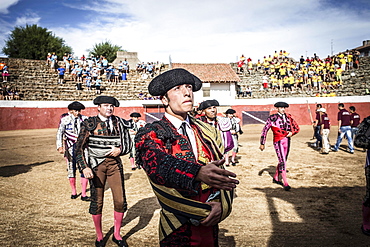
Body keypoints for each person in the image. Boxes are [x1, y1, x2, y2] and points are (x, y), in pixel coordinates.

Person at [135, 68, 239, 246]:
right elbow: (156, 165)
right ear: (164, 99)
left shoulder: (207, 131)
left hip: (210, 219)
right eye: (177, 88)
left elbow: (219, 173)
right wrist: (197, 172)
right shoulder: (151, 132)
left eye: (189, 87)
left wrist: (221, 205)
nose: (186, 92)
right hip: (177, 224)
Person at [75, 96, 132, 247]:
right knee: (97, 201)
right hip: (96, 166)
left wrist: (120, 150)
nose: (109, 108)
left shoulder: (119, 122)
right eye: (106, 105)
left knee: (120, 200)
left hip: (114, 165)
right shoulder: (89, 123)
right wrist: (84, 167)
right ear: (98, 107)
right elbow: (78, 148)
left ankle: (117, 234)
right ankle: (99, 236)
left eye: (111, 106)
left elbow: (128, 143)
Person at [259, 102, 300, 191]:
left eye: (284, 108)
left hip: (287, 140)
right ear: (277, 108)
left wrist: (292, 133)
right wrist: (262, 143)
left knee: (283, 160)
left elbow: (296, 128)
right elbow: (265, 130)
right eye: (281, 108)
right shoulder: (272, 118)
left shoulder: (288, 117)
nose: (283, 109)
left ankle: (276, 177)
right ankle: (285, 182)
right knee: (282, 161)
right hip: (278, 141)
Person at [56, 101, 90, 201]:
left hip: (83, 148)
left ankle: (83, 194)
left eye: (79, 110)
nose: (77, 112)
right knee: (71, 169)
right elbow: (60, 133)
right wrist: (59, 146)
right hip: (70, 147)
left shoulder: (85, 119)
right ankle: (74, 192)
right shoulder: (65, 120)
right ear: (70, 111)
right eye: (75, 110)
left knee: (84, 167)